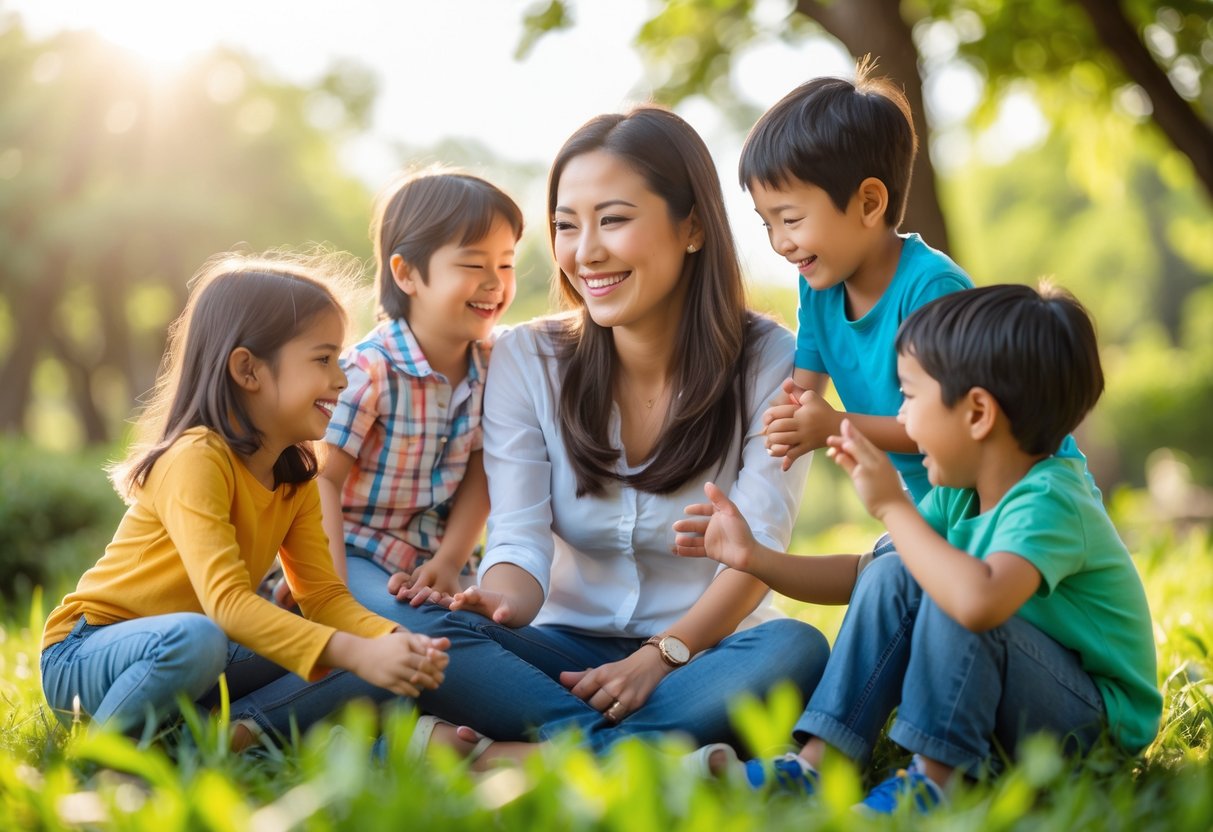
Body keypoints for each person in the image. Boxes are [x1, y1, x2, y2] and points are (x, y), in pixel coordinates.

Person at [394, 106, 830, 766]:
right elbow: (517, 535)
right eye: (566, 226)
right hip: (558, 650)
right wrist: (497, 600)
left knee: (795, 648)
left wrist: (661, 656)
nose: (584, 251)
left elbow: (758, 549)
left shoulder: (769, 360)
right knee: (424, 631)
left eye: (613, 219)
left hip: (701, 654)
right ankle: (648, 758)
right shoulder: (525, 359)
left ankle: (509, 758)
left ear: (690, 227)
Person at [676, 284, 1161, 813]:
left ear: (977, 413)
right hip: (1015, 697)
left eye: (909, 396)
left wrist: (893, 507)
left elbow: (979, 603)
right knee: (894, 573)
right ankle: (819, 767)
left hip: (1092, 727)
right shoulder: (959, 493)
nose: (901, 421)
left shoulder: (1050, 500)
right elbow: (868, 577)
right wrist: (756, 558)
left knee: (957, 591)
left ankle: (936, 782)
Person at [40, 255, 450, 745]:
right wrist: (357, 651)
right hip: (88, 655)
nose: (341, 380)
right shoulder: (196, 457)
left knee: (376, 668)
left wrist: (390, 642)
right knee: (200, 640)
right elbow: (228, 604)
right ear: (247, 369)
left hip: (201, 652)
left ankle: (221, 738)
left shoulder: (295, 475)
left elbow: (322, 597)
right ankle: (106, 757)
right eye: (323, 360)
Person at [738, 60, 972, 501]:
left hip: (997, 497)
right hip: (933, 503)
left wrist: (834, 426)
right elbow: (799, 394)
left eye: (790, 219)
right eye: (767, 224)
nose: (780, 243)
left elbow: (950, 427)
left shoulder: (931, 289)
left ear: (869, 203)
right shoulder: (819, 288)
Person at [312, 170, 523, 615]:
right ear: (406, 273)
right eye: (473, 264)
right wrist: (326, 587)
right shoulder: (369, 370)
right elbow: (322, 482)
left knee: (493, 625)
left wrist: (448, 562)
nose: (496, 283)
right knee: (415, 629)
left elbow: (481, 471)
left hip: (439, 559)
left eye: (506, 264)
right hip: (355, 552)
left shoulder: (496, 362)